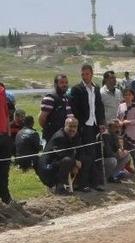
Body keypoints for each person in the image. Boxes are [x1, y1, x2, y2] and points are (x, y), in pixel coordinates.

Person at [69, 64, 106, 192]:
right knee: (84, 155)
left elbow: (99, 107)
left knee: (93, 154)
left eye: (87, 74)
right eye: (83, 74)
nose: (85, 76)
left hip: (94, 125)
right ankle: (82, 183)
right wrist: (80, 125)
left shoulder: (96, 89)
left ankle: (94, 182)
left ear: (92, 73)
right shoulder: (76, 89)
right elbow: (75, 109)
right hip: (84, 126)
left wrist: (101, 122)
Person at [37, 117, 81, 195]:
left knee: (81, 159)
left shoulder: (74, 135)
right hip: (47, 168)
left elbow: (75, 150)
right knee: (67, 160)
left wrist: (76, 163)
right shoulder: (59, 137)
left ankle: (79, 184)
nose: (73, 129)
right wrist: (75, 162)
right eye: (70, 126)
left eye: (75, 127)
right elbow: (61, 154)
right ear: (65, 125)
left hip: (56, 163)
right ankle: (60, 187)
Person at [117, 88, 135, 173]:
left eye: (129, 95)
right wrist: (119, 122)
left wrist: (129, 122)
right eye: (125, 95)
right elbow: (118, 117)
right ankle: (125, 169)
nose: (127, 96)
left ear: (133, 96)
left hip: (133, 133)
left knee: (133, 152)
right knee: (124, 152)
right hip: (122, 133)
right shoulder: (121, 106)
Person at [39, 74, 72, 142]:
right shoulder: (50, 98)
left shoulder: (66, 98)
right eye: (61, 83)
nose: (64, 85)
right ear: (55, 84)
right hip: (54, 137)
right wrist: (50, 130)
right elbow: (41, 118)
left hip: (65, 136)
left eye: (66, 82)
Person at [0, 81, 16, 206]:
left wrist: (9, 132)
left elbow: (5, 113)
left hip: (4, 135)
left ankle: (6, 198)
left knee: (4, 169)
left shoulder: (2, 89)